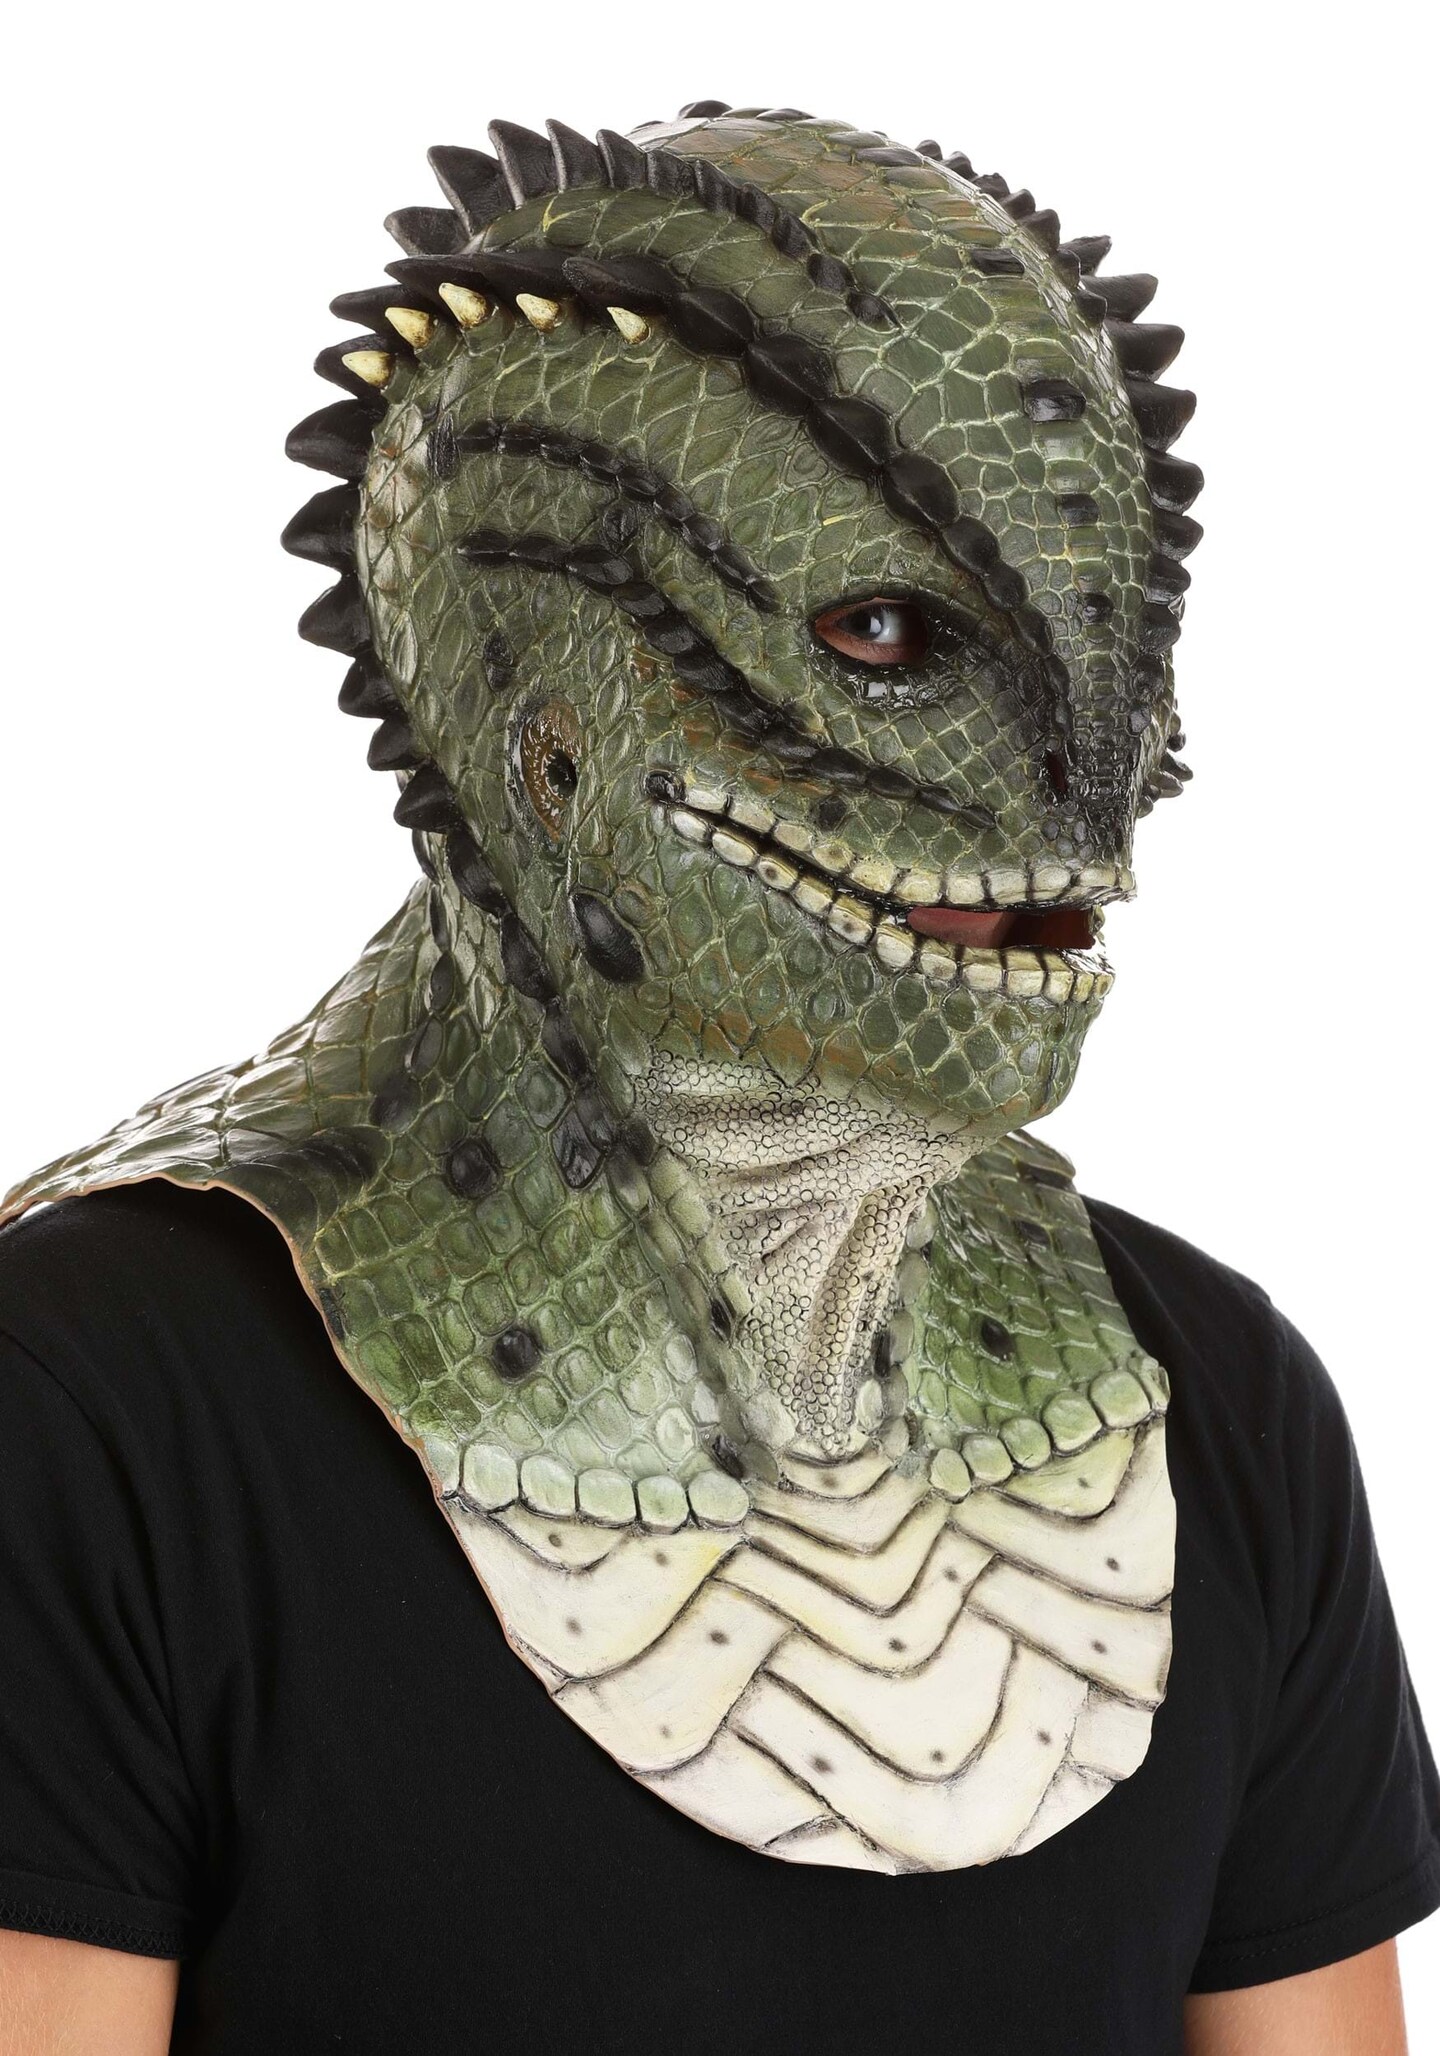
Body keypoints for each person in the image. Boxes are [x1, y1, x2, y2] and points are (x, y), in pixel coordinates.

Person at [1, 106, 1435, 2055]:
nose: (1094, 800)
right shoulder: (88, 1410)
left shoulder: (1230, 1409)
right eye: (884, 632)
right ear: (541, 725)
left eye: (1117, 652)